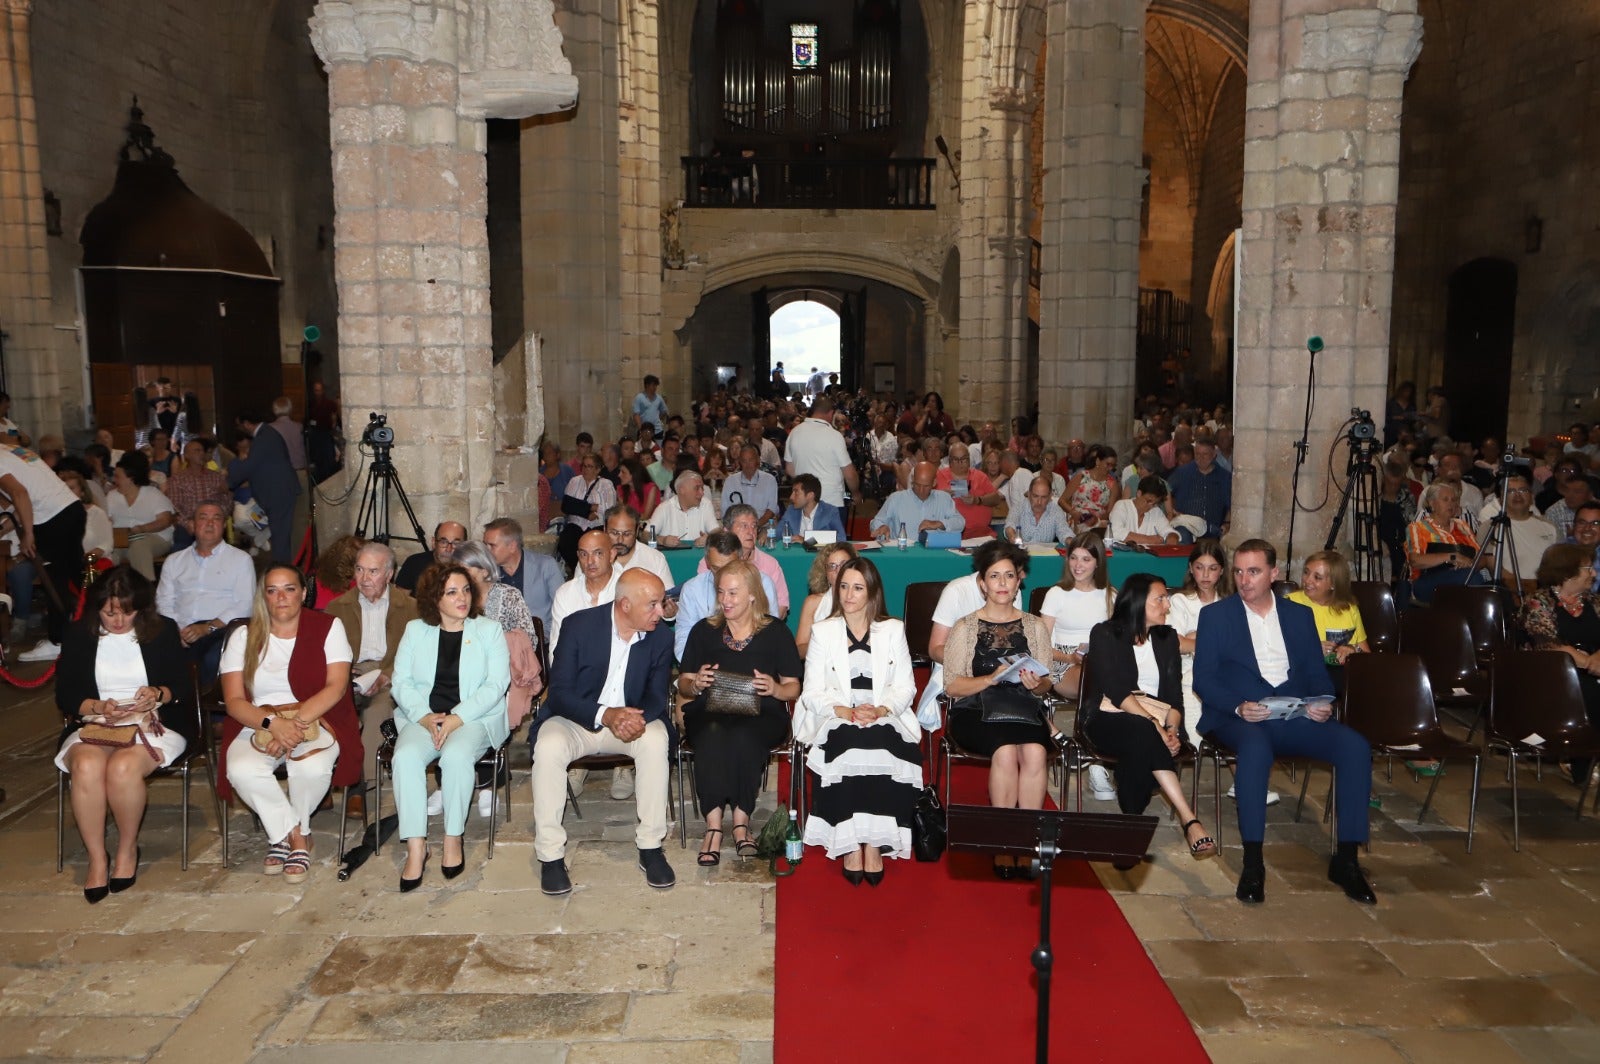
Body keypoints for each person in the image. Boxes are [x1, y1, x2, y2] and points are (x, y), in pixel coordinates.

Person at [1193, 539, 1375, 906]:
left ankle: (1347, 859)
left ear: (1274, 574)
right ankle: (1253, 862)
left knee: (1355, 746)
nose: (1244, 580)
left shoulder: (1297, 615)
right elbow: (1204, 680)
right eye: (1239, 571)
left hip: (1293, 714)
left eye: (1254, 571)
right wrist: (1239, 707)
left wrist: (1321, 702)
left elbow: (1314, 673)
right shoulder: (1216, 616)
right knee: (1256, 747)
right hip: (1239, 717)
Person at [530, 569, 676, 896]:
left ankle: (651, 847)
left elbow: (656, 695)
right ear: (625, 605)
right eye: (653, 605)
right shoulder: (579, 626)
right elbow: (561, 693)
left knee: (656, 739)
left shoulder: (661, 637)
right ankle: (551, 855)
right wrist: (605, 714)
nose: (661, 612)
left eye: (661, 603)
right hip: (577, 718)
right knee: (549, 745)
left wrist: (633, 719)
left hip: (628, 720)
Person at [54, 567, 191, 902]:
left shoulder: (162, 630)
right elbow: (66, 694)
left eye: (127, 613)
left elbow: (184, 685)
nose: (117, 621)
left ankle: (128, 850)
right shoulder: (78, 634)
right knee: (86, 766)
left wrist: (157, 693)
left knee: (122, 768)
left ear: (141, 609)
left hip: (154, 721)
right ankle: (98, 858)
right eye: (109, 613)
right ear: (97, 608)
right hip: (96, 722)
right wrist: (99, 706)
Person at [219, 565, 362, 884]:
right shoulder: (243, 635)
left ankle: (285, 837)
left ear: (303, 592)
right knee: (241, 768)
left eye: (289, 589)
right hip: (259, 720)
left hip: (316, 717)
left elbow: (336, 686)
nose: (281, 597)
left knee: (309, 768)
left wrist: (293, 725)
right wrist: (272, 724)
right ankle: (295, 835)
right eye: (272, 590)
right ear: (263, 596)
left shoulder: (328, 627)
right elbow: (234, 701)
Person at [795, 557, 920, 883]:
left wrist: (880, 711)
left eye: (858, 587)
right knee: (850, 744)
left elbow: (907, 686)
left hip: (883, 712)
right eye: (844, 586)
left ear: (872, 592)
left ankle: (874, 844)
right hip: (835, 714)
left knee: (881, 743)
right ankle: (851, 843)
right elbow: (811, 692)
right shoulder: (823, 632)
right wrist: (845, 712)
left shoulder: (893, 629)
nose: (849, 594)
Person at [389, 564, 512, 890]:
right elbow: (400, 683)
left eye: (466, 590)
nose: (462, 598)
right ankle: (416, 847)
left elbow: (496, 684)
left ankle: (452, 836)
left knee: (456, 757)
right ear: (434, 599)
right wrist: (424, 716)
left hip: (474, 718)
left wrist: (458, 716)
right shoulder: (416, 631)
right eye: (452, 592)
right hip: (425, 717)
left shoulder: (489, 631)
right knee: (405, 758)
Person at [1080, 574, 1216, 862]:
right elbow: (1115, 691)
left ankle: (1130, 829)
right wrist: (1155, 726)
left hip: (1151, 723)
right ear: (1139, 602)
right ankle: (1189, 818)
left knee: (1139, 746)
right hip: (1106, 718)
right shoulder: (1105, 633)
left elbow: (1175, 698)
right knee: (1142, 731)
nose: (1167, 604)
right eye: (1161, 598)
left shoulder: (1167, 639)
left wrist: (1172, 728)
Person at [941, 540, 1056, 876]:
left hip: (1023, 706)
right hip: (975, 709)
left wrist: (1039, 682)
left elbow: (1047, 680)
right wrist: (990, 679)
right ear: (982, 583)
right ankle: (1004, 844)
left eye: (1009, 576)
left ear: (1019, 581)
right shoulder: (965, 627)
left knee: (1035, 751)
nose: (1003, 583)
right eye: (995, 576)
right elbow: (952, 685)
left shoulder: (1034, 626)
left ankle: (1028, 841)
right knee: (1005, 752)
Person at [678, 559, 802, 867]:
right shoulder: (704, 631)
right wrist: (696, 682)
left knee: (745, 735)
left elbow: (793, 688)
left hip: (763, 713)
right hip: (709, 711)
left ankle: (742, 823)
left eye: (733, 593)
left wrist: (774, 688)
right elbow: (683, 680)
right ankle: (714, 826)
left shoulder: (775, 633)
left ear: (752, 595)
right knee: (714, 734)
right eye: (721, 592)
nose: (725, 600)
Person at [325, 542, 420, 803]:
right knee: (331, 708)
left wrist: (387, 674)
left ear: (389, 574)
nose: (364, 579)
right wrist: (342, 668)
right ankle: (323, 779)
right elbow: (322, 650)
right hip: (347, 674)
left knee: (376, 708)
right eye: (359, 570)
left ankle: (358, 785)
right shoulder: (336, 608)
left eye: (373, 571)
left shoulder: (411, 608)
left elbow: (418, 652)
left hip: (392, 673)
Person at [1519, 543, 1600, 784]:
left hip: (1592, 669)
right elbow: (1550, 646)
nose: (1593, 573)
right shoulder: (1539, 602)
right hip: (1551, 674)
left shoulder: (1594, 602)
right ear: (1567, 573)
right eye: (1588, 568)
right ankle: (1581, 761)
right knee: (1589, 690)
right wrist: (1589, 663)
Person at [154, 501, 255, 687]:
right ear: (192, 525)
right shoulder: (174, 561)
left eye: (216, 518)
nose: (210, 523)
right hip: (179, 628)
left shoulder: (241, 560)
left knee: (212, 657)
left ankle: (202, 707)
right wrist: (179, 630)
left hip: (221, 629)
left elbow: (245, 604)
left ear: (224, 526)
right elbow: (164, 601)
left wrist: (208, 627)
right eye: (203, 517)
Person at [673, 529, 781, 660]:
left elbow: (771, 632)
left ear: (742, 559)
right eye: (716, 568)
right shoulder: (692, 589)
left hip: (753, 659)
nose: (722, 576)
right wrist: (693, 666)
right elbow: (684, 634)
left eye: (729, 567)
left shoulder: (763, 583)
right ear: (707, 561)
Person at [1287, 550, 1371, 698]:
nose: (1307, 580)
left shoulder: (1349, 608)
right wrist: (1311, 650)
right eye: (1306, 572)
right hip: (1302, 674)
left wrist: (1352, 649)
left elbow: (1366, 654)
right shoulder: (1289, 603)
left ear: (1333, 584)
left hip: (1340, 675)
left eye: (1317, 577)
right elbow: (1275, 650)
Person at [228, 410, 302, 563]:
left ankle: (281, 569)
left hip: (279, 491)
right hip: (277, 491)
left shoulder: (264, 437)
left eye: (239, 425)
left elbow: (250, 466)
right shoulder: (266, 434)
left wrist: (228, 482)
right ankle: (281, 566)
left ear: (247, 424)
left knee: (280, 534)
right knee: (279, 532)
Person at [692, 504, 790, 617]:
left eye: (754, 526)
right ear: (727, 530)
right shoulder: (711, 562)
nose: (751, 532)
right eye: (744, 526)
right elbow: (703, 604)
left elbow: (782, 606)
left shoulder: (770, 564)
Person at [1406, 481, 1493, 603]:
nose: (1451, 504)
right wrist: (1453, 557)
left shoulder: (1463, 526)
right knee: (1472, 579)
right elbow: (1415, 560)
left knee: (1496, 587)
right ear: (1432, 503)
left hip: (1464, 576)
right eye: (1445, 500)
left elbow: (1482, 558)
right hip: (1427, 582)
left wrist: (1469, 563)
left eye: (1454, 500)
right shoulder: (1418, 527)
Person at [102, 451, 175, 580]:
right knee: (108, 552)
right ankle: (110, 590)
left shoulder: (152, 494)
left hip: (154, 538)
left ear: (131, 478)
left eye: (118, 477)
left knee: (139, 545)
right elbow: (106, 521)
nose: (114, 480)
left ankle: (145, 589)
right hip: (122, 541)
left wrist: (141, 529)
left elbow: (165, 521)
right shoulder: (112, 496)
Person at [482, 518, 564, 631]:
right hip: (501, 641)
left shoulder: (545, 566)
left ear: (512, 546)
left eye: (492, 545)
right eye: (485, 545)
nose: (486, 551)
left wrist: (544, 637)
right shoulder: (485, 572)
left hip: (543, 640)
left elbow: (563, 608)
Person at [549, 528, 620, 651]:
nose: (590, 561)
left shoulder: (629, 590)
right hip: (577, 667)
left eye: (598, 553)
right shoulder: (565, 593)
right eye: (584, 554)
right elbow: (557, 647)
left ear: (612, 555)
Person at [784, 396, 859, 508]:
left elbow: (789, 470)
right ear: (831, 413)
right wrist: (855, 493)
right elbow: (850, 475)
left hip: (804, 500)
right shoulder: (835, 436)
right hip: (831, 501)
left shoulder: (794, 432)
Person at [870, 461, 964, 542]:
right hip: (902, 554)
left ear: (934, 483)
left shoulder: (944, 499)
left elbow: (960, 523)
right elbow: (876, 521)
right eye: (917, 485)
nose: (921, 490)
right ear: (912, 480)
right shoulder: (896, 499)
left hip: (933, 554)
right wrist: (881, 527)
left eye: (926, 486)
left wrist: (939, 524)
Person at [163, 438, 229, 550]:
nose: (201, 454)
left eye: (202, 451)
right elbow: (174, 507)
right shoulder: (177, 479)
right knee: (181, 544)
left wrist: (219, 517)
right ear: (187, 456)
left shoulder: (216, 477)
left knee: (215, 535)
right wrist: (188, 523)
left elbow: (226, 502)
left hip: (212, 520)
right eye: (197, 451)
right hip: (188, 523)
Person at [558, 452, 619, 572]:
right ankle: (578, 569)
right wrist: (589, 509)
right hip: (576, 523)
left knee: (595, 543)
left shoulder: (606, 484)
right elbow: (567, 505)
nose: (586, 469)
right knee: (565, 542)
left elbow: (609, 509)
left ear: (598, 469)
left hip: (596, 524)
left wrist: (585, 507)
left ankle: (592, 568)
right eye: (584, 466)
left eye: (590, 466)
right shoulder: (574, 481)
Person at [794, 543, 858, 658]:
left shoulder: (863, 599)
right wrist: (825, 644)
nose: (838, 571)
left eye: (843, 564)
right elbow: (799, 650)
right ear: (825, 573)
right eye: (832, 566)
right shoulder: (813, 603)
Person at [1167, 438, 1232, 540]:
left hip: (1213, 530)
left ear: (1214, 454)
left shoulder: (1224, 477)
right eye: (1197, 454)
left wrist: (1227, 524)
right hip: (1186, 527)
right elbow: (1164, 490)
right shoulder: (1182, 473)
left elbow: (1231, 505)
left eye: (1205, 454)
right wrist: (1171, 512)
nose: (1200, 458)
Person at [605, 504, 674, 588]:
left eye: (627, 534)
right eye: (614, 533)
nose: (620, 540)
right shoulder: (592, 559)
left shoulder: (656, 559)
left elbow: (668, 596)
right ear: (604, 529)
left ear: (637, 531)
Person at [937, 441, 1000, 533]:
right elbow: (926, 499)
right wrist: (941, 496)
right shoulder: (939, 476)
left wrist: (977, 500)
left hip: (980, 532)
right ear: (950, 460)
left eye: (964, 459)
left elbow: (996, 499)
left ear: (969, 460)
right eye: (956, 459)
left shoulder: (980, 476)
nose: (960, 462)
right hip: (950, 533)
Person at [1059, 444, 1121, 531]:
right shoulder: (1081, 476)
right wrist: (1073, 512)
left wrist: (1096, 519)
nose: (1110, 468)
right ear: (1098, 461)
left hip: (1098, 522)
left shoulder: (1112, 484)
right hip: (1077, 518)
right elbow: (1062, 500)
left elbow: (1110, 512)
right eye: (1108, 464)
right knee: (1084, 527)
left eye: (1113, 466)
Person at [649, 470, 719, 546]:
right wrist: (663, 540)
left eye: (702, 488)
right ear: (682, 490)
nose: (702, 493)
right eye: (697, 488)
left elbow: (717, 531)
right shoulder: (664, 507)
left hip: (698, 556)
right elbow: (645, 535)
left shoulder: (706, 504)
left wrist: (709, 539)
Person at [396, 521, 468, 592]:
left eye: (456, 544)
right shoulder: (414, 564)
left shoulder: (469, 568)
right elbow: (400, 601)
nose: (448, 549)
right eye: (443, 542)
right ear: (434, 543)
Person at [776, 473, 848, 544]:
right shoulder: (791, 510)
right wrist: (767, 534)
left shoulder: (830, 511)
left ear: (810, 495)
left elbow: (841, 539)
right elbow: (777, 533)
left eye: (796, 492)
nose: (791, 497)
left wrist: (807, 540)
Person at [1003, 474, 1074, 546]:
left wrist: (1071, 542)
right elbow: (1010, 524)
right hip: (1021, 553)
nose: (1039, 502)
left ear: (1050, 497)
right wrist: (1012, 535)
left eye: (1044, 497)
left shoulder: (1056, 510)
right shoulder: (1018, 507)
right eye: (1035, 496)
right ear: (1029, 494)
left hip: (1046, 554)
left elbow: (1064, 531)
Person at [1108, 476, 1179, 546]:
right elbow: (1115, 532)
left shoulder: (1156, 511)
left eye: (1155, 503)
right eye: (1149, 501)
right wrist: (1150, 539)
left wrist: (1172, 537)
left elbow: (1167, 530)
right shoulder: (1122, 506)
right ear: (1139, 493)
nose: (1151, 506)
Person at [725, 445, 779, 526]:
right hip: (738, 527)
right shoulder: (730, 481)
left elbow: (771, 509)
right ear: (740, 462)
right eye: (744, 461)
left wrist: (755, 526)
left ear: (758, 460)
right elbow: (725, 510)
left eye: (751, 460)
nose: (748, 464)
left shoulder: (769, 480)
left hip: (763, 525)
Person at [1569, 501, 1600, 594]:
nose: (1587, 528)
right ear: (1574, 525)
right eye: (1582, 522)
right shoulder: (1559, 553)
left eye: (1595, 523)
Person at [616, 458, 661, 522]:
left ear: (633, 474)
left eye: (623, 472)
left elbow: (646, 516)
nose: (619, 475)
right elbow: (624, 513)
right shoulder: (620, 489)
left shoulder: (651, 488)